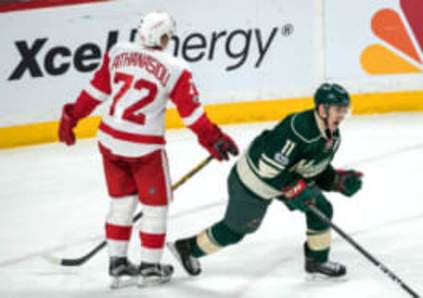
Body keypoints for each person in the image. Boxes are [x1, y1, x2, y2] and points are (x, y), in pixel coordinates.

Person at [57, 11, 238, 288]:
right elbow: (192, 116)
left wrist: (72, 117)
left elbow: (95, 92)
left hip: (109, 142)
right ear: (161, 36)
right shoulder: (176, 68)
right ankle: (151, 267)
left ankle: (117, 264)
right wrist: (214, 139)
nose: (169, 40)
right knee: (156, 208)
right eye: (168, 35)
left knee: (121, 205)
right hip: (143, 149)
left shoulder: (118, 52)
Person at [169, 83, 363, 278]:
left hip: (282, 179)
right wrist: (295, 189)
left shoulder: (332, 136)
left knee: (321, 209)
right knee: (236, 230)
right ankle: (187, 248)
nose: (342, 115)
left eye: (344, 110)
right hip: (252, 182)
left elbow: (311, 169)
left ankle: (317, 260)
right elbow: (267, 169)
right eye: (338, 110)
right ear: (322, 109)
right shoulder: (297, 129)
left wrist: (335, 180)